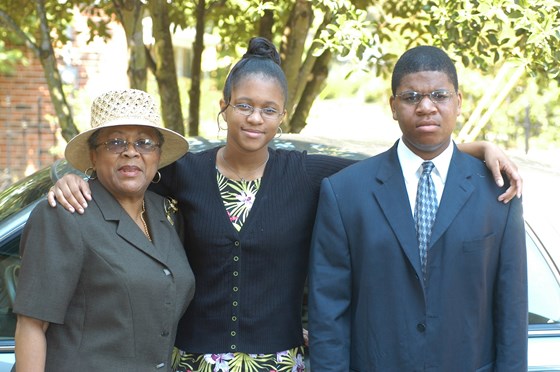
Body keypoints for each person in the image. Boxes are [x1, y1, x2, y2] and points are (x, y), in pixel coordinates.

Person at [48, 38, 523, 371]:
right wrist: (67, 174)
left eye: (269, 109)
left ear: (283, 117)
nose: (255, 118)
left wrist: (475, 149)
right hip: (193, 361)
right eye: (244, 105)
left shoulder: (310, 174)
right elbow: (124, 167)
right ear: (225, 104)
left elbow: (403, 158)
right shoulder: (184, 171)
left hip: (281, 362)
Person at [308, 45, 528, 371]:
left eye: (439, 95)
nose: (426, 107)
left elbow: (512, 309)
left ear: (459, 101)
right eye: (411, 97)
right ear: (393, 106)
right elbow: (328, 311)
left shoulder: (498, 191)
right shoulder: (345, 192)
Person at [13, 89, 195, 371]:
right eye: (115, 142)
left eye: (144, 142)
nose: (131, 151)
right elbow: (31, 325)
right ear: (93, 156)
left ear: (158, 156)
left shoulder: (168, 213)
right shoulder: (65, 214)